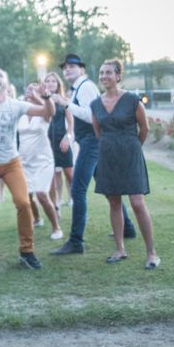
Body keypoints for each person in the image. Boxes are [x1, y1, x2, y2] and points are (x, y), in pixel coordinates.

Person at [0, 67, 55, 271]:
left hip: (11, 163)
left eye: (0, 75)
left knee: (24, 203)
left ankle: (27, 251)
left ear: (7, 82)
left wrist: (46, 96)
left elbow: (48, 113)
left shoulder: (16, 105)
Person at [51, 54, 136, 256]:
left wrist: (65, 104)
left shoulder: (86, 87)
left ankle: (76, 241)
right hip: (90, 142)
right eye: (65, 67)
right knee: (110, 190)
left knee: (78, 191)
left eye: (72, 66)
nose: (67, 70)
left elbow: (92, 116)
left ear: (82, 69)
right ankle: (128, 228)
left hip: (92, 143)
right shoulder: (78, 88)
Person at [91, 59, 161, 269]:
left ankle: (151, 253)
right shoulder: (95, 104)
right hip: (108, 156)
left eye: (109, 73)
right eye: (102, 73)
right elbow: (98, 132)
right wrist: (111, 146)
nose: (104, 76)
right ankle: (120, 249)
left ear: (118, 76)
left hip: (130, 155)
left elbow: (144, 129)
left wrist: (132, 147)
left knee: (138, 203)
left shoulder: (132, 100)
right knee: (114, 203)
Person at [17, 82, 63, 240]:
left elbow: (51, 110)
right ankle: (37, 219)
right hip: (24, 161)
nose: (29, 91)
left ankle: (56, 227)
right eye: (27, 88)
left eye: (33, 89)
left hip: (43, 160)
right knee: (26, 196)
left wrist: (42, 96)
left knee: (42, 194)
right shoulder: (21, 112)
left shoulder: (44, 111)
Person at [44, 72, 74, 210]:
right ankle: (59, 199)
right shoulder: (42, 100)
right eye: (48, 81)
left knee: (69, 173)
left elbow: (71, 122)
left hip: (63, 140)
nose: (50, 83)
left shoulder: (64, 100)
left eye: (53, 81)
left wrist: (67, 138)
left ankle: (73, 197)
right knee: (55, 173)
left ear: (58, 84)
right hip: (48, 142)